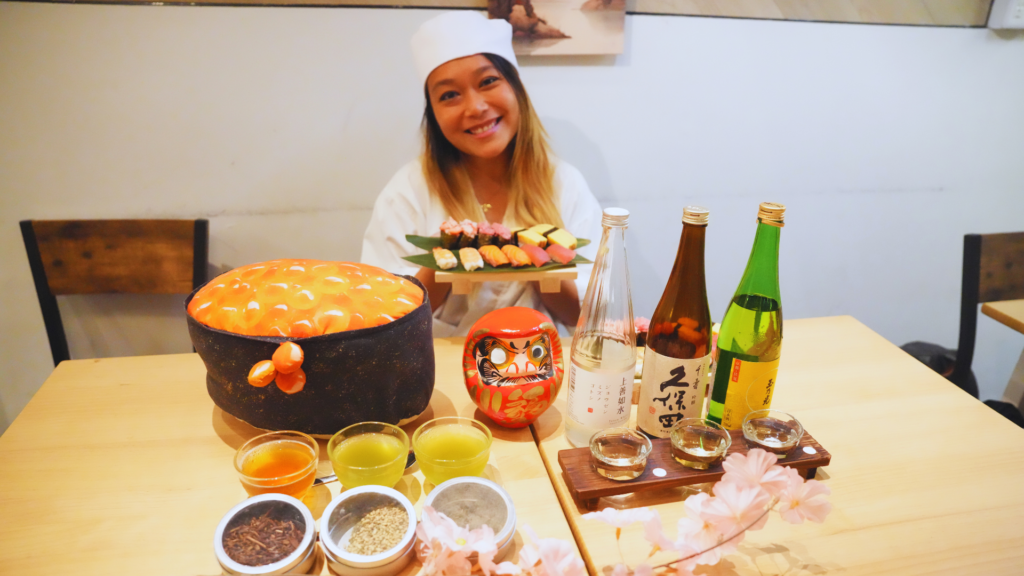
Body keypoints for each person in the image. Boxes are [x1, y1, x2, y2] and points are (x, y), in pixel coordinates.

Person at [361, 11, 602, 337]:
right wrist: (449, 260)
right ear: (432, 113)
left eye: (488, 81)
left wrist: (537, 260)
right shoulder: (408, 191)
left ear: (516, 88)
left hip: (538, 364)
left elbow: (586, 317)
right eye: (449, 95)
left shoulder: (563, 184)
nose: (475, 107)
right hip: (438, 371)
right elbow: (384, 319)